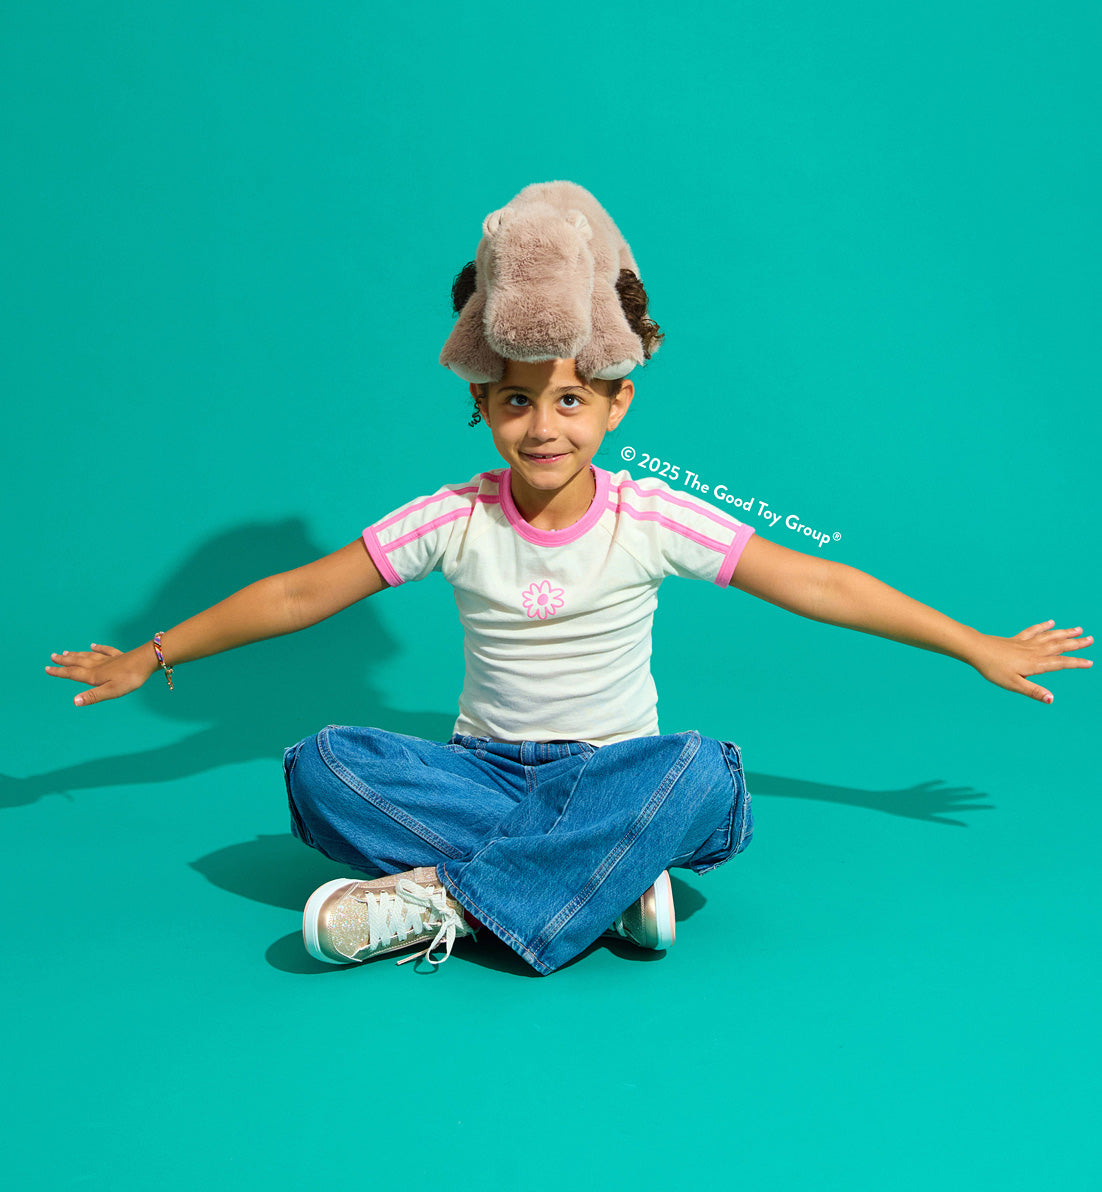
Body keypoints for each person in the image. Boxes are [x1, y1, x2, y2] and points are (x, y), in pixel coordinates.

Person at [45, 183, 1093, 976]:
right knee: (322, 763)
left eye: (568, 402)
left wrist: (975, 644)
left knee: (704, 775)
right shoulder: (450, 519)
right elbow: (298, 594)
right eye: (511, 403)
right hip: (482, 775)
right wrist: (152, 652)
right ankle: (602, 880)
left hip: (614, 773)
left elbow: (813, 583)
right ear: (481, 406)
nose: (541, 427)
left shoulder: (652, 517)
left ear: (614, 405)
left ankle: (454, 903)